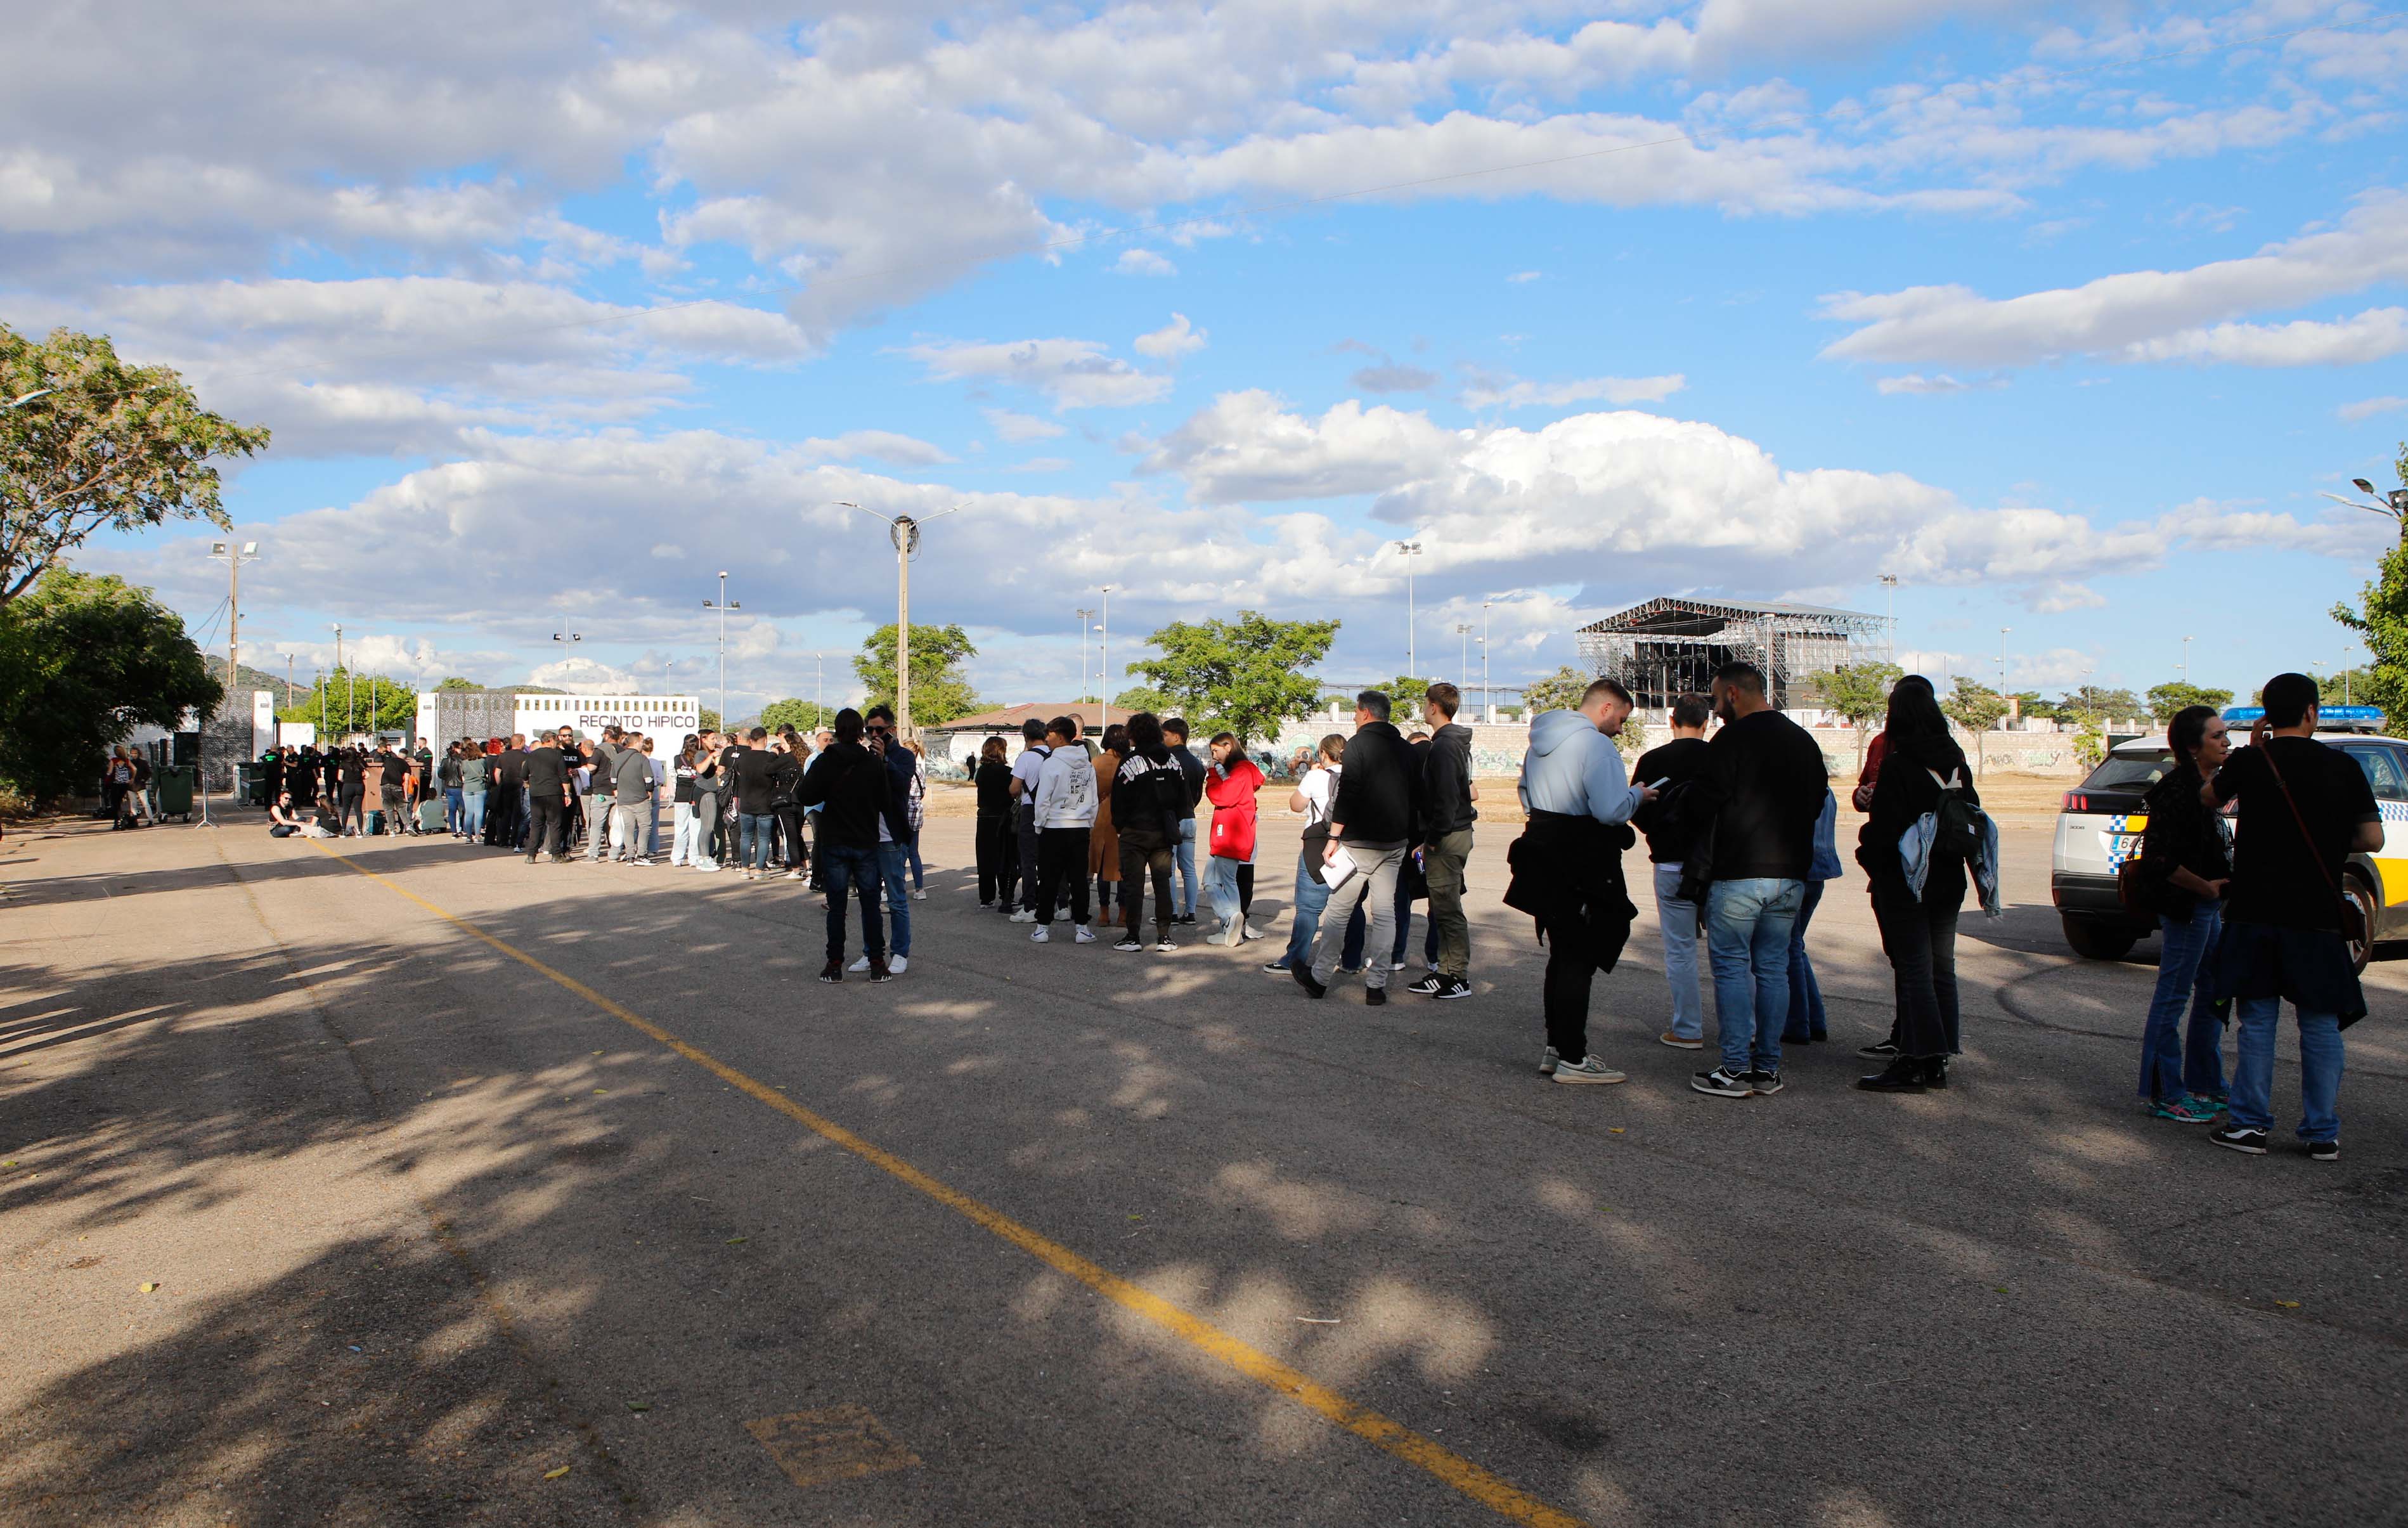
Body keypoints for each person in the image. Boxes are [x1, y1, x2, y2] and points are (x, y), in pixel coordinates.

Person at [2202, 673, 2375, 1159]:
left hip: (2255, 912)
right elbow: (2372, 840)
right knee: (2319, 1025)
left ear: (2267, 716)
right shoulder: (2342, 767)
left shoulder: (2254, 761)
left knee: (2257, 1020)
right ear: (2312, 713)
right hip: (2316, 915)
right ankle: (2322, 1134)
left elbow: (2208, 798)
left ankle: (2250, 1126)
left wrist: (2255, 747)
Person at [1681, 662, 1827, 1099]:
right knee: (1773, 969)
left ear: (1733, 693)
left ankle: (1734, 1068)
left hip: (1739, 873)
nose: (1716, 707)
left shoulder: (1731, 740)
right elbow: (1819, 798)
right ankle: (1767, 1069)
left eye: (1717, 697)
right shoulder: (1802, 740)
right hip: (1791, 875)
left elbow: (1703, 801)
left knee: (1730, 968)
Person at [1501, 678, 1652, 1082]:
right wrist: (1637, 795)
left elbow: (1526, 795)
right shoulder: (1596, 745)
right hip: (1582, 861)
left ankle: (1557, 1047)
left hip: (1542, 852)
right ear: (1606, 709)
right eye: (1621, 718)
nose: (1620, 728)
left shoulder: (1539, 741)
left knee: (1562, 953)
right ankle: (1573, 1058)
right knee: (1579, 958)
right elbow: (1609, 810)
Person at [1853, 679, 1980, 1094]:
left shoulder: (1899, 763)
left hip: (1908, 881)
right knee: (1942, 967)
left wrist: (1867, 857)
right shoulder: (1956, 760)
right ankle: (1938, 1059)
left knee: (1914, 970)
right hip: (1949, 877)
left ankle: (1913, 1060)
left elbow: (1885, 831)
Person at [2130, 704, 2234, 1122]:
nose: (2226, 742)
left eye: (2226, 734)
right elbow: (2158, 858)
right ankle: (2165, 1092)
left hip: (2208, 908)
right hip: (2187, 908)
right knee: (2173, 996)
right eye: (2217, 736)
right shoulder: (2177, 790)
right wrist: (2203, 886)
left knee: (2214, 989)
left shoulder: (2207, 785)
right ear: (2193, 747)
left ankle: (2205, 1082)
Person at [1295, 690, 1421, 1004]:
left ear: (1365, 713)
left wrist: (1334, 838)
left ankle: (1320, 978)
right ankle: (1376, 985)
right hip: (1394, 844)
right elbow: (1417, 796)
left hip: (1359, 842)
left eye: (1355, 712)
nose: (1354, 716)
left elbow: (1348, 794)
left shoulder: (1359, 745)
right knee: (1384, 913)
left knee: (1339, 911)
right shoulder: (1407, 750)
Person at [1632, 693, 1712, 1048]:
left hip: (1670, 862)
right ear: (1707, 723)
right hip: (1716, 865)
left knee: (1680, 949)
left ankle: (1688, 1028)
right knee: (1732, 951)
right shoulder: (1719, 758)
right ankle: (1748, 1030)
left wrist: (1658, 831)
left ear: (1672, 720)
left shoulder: (1653, 760)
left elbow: (1635, 806)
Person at [799, 708, 893, 983]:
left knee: (837, 906)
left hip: (835, 840)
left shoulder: (825, 762)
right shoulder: (872, 762)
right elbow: (885, 802)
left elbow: (806, 794)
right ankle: (877, 963)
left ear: (837, 733)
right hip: (865, 840)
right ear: (861, 732)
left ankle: (834, 965)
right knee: (870, 905)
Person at [1406, 683, 1479, 999]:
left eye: (1425, 703)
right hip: (1445, 835)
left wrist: (1433, 838)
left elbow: (1447, 799)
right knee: (1441, 906)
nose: (1424, 709)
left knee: (1448, 909)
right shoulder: (1445, 743)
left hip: (1448, 837)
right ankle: (1444, 971)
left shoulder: (1446, 746)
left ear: (1434, 706)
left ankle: (1457, 976)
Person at [1265, 734, 1345, 974]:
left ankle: (1294, 959)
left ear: (1323, 753)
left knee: (1309, 908)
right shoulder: (1358, 775)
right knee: (1350, 906)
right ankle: (1352, 960)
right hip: (1350, 845)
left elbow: (1296, 805)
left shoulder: (1316, 775)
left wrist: (1314, 774)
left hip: (1319, 843)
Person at [1111, 711, 1186, 952]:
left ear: (1135, 734)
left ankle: (1133, 936)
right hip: (1163, 832)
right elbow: (1185, 798)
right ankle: (1164, 936)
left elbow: (1119, 800)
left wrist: (1120, 827)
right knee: (1162, 882)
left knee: (1134, 885)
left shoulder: (1131, 762)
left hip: (1135, 832)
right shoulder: (1174, 761)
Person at [1783, 786, 1843, 1046]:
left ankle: (1797, 1023)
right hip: (1819, 872)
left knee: (1789, 949)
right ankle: (1813, 1019)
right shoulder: (1825, 791)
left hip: (1797, 872)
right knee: (1796, 948)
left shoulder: (1796, 789)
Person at [1030, 715, 1099, 943]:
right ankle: (1082, 928)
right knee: (1079, 880)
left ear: (1060, 737)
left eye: (1049, 735)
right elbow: (1093, 799)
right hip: (1079, 828)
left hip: (1054, 827)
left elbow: (1043, 799)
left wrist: (1039, 825)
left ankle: (1042, 928)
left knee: (1049, 879)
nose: (1046, 739)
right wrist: (1088, 823)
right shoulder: (1087, 763)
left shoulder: (1051, 763)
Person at [862, 705, 916, 972]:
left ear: (892, 730)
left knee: (896, 899)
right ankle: (871, 952)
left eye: (879, 729)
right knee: (869, 900)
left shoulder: (903, 756)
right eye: (869, 729)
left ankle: (900, 952)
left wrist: (885, 760)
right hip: (867, 837)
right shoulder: (864, 756)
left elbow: (903, 783)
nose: (874, 734)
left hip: (891, 836)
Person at [1203, 732, 1264, 947]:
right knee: (1219, 882)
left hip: (1229, 832)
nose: (1214, 756)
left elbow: (1222, 796)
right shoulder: (1245, 771)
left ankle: (1230, 919)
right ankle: (1230, 924)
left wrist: (1212, 775)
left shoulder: (1241, 772)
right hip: (1232, 831)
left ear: (1228, 746)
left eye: (1216, 751)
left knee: (1218, 881)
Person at [1163, 718, 1207, 924]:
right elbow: (1198, 794)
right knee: (1189, 869)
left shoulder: (1167, 760)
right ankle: (1190, 913)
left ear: (1177, 736)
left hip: (1171, 819)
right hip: (1190, 817)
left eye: (1165, 735)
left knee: (1169, 869)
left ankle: (1171, 912)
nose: (1163, 739)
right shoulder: (1197, 763)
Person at [1007, 718, 1051, 920]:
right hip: (1051, 811)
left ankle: (1029, 905)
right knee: (1049, 859)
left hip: (1030, 810)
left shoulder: (1026, 758)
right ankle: (1055, 904)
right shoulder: (1053, 756)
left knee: (1028, 859)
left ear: (1026, 736)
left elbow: (1014, 788)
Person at [728, 726, 780, 881]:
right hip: (765, 803)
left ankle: (745, 869)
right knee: (764, 838)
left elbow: (736, 773)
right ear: (765, 740)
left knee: (746, 837)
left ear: (751, 741)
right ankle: (759, 870)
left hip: (746, 803)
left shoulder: (741, 758)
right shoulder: (770, 758)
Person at [1090, 722, 1127, 925]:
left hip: (1101, 819)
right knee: (1123, 869)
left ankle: (1104, 913)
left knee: (1104, 870)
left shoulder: (1096, 762)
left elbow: (1089, 793)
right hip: (1124, 819)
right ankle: (1123, 913)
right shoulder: (1129, 762)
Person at [974, 737, 1016, 904]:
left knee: (985, 856)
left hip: (984, 816)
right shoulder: (1008, 772)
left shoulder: (981, 771)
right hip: (1003, 816)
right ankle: (1006, 894)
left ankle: (986, 896)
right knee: (1004, 856)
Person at [523, 728, 573, 862]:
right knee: (555, 824)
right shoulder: (557, 755)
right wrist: (567, 794)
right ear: (550, 740)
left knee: (537, 824)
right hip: (554, 793)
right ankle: (556, 854)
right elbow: (564, 776)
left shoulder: (532, 755)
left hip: (536, 793)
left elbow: (524, 774)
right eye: (555, 740)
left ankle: (531, 855)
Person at [609, 728, 654, 865]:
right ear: (636, 742)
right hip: (640, 798)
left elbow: (613, 780)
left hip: (623, 800)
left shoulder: (618, 758)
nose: (643, 744)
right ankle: (641, 854)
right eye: (642, 741)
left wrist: (616, 792)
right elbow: (649, 780)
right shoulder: (642, 758)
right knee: (645, 826)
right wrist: (649, 792)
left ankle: (630, 856)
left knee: (628, 827)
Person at [771, 734, 808, 881]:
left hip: (785, 803)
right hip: (802, 802)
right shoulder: (806, 757)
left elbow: (768, 769)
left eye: (783, 743)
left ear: (790, 744)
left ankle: (796, 869)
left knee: (791, 837)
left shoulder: (785, 759)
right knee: (797, 835)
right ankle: (807, 865)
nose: (782, 746)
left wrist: (773, 754)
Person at [669, 737, 704, 867]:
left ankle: (677, 858)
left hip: (681, 796)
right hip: (696, 795)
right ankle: (693, 858)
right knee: (695, 828)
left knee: (680, 828)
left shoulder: (678, 759)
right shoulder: (700, 758)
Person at [901, 737, 929, 899]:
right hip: (916, 814)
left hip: (905, 813)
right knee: (914, 853)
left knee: (900, 854)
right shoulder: (920, 770)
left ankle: (896, 887)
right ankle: (920, 889)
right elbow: (922, 792)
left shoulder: (905, 770)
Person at [458, 739, 489, 841]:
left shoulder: (464, 763)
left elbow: (462, 775)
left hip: (467, 788)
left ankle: (468, 836)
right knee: (479, 812)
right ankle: (477, 835)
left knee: (469, 812)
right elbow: (486, 773)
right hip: (480, 788)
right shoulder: (482, 761)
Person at [268, 791, 332, 838]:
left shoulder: (290, 807)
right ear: (281, 798)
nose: (288, 800)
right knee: (287, 829)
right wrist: (297, 824)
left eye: (290, 799)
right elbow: (283, 822)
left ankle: (296, 832)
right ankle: (295, 832)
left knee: (302, 818)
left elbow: (297, 818)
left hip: (287, 825)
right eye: (286, 798)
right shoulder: (276, 808)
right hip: (276, 829)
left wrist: (305, 824)